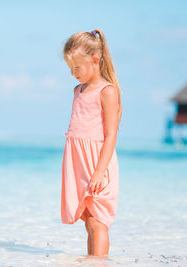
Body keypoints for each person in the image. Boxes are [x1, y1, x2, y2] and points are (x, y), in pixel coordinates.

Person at [61, 29, 123, 257]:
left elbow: (111, 136)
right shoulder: (78, 90)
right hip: (78, 164)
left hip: (98, 163)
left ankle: (100, 263)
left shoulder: (107, 91)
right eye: (70, 68)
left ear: (95, 60)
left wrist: (98, 172)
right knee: (88, 221)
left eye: (76, 67)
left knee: (98, 220)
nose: (73, 73)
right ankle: (91, 261)